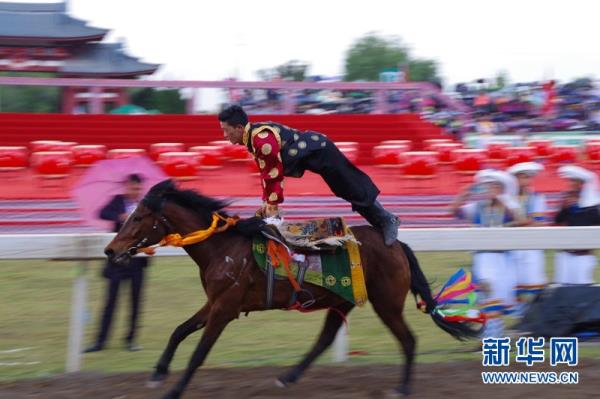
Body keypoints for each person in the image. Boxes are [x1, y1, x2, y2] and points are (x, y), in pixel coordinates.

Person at [217, 104, 400, 246]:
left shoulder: (260, 139)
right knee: (345, 190)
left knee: (351, 186)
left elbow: (273, 175)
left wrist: (272, 208)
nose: (225, 135)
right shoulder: (253, 138)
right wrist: (267, 205)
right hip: (311, 153)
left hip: (319, 150)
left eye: (227, 130)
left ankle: (387, 219)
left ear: (240, 127)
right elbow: (267, 174)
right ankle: (380, 222)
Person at [450, 170, 524, 338]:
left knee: (496, 299)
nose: (491, 189)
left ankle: (493, 338)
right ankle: (489, 338)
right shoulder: (477, 207)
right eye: (489, 186)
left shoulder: (510, 206)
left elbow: (518, 221)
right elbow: (453, 211)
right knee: (487, 295)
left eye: (495, 186)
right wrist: (464, 195)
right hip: (483, 258)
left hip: (503, 260)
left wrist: (500, 199)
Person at [84, 174, 149, 353]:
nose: (135, 191)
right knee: (110, 302)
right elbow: (102, 213)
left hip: (138, 261)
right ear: (126, 187)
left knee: (135, 302)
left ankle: (131, 340)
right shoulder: (117, 201)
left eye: (138, 188)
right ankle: (100, 341)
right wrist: (121, 216)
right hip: (118, 262)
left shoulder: (146, 206)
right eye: (132, 188)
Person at [506, 162, 547, 315]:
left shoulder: (537, 198)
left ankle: (537, 319)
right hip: (513, 248)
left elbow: (538, 223)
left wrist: (517, 223)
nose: (527, 181)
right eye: (523, 177)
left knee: (534, 284)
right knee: (516, 287)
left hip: (531, 248)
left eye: (529, 177)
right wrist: (525, 221)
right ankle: (522, 320)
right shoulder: (507, 200)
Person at [554, 165, 600, 284]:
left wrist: (582, 207)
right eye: (570, 181)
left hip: (583, 255)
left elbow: (594, 222)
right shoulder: (567, 199)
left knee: (582, 288)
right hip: (566, 252)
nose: (571, 184)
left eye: (574, 181)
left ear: (582, 184)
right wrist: (564, 208)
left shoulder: (593, 204)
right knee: (562, 287)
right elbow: (558, 220)